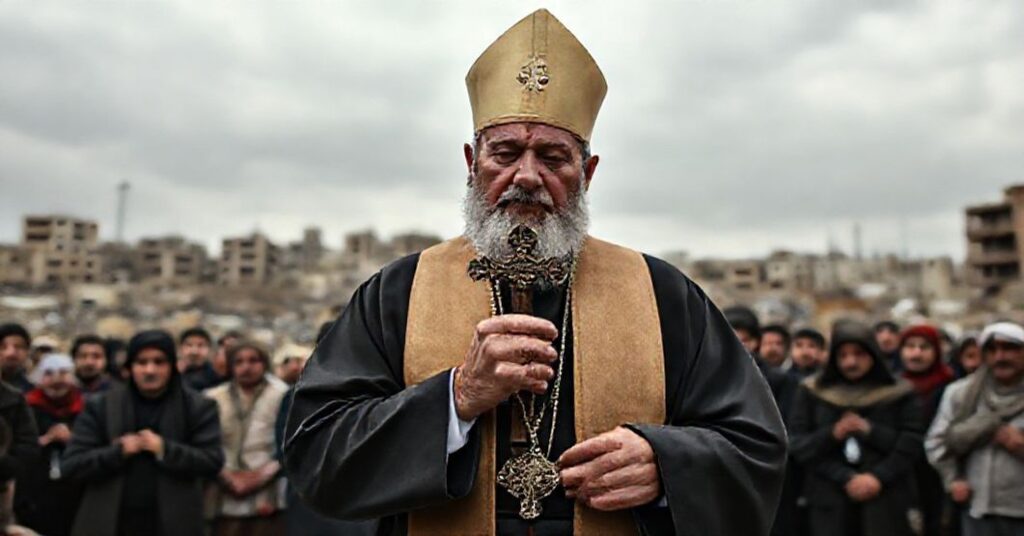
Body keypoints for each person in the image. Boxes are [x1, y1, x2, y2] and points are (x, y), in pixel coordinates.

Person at [284, 9, 786, 535]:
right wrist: (455, 400)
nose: (527, 176)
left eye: (553, 156)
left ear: (587, 174)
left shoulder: (663, 295)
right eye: (505, 153)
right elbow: (316, 451)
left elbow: (755, 447)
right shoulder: (398, 293)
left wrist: (666, 463)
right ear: (470, 162)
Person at [63, 330, 224, 536]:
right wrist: (118, 452)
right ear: (129, 368)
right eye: (141, 362)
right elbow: (73, 465)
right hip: (111, 523)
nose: (150, 370)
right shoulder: (101, 406)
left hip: (174, 524)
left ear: (172, 366)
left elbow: (212, 461)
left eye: (159, 362)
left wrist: (165, 449)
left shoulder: (198, 407)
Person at [789, 322, 923, 536]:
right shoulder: (812, 392)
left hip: (886, 498)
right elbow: (800, 445)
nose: (851, 362)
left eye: (859, 354)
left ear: (873, 354)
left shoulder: (899, 393)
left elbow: (911, 442)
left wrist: (876, 471)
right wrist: (834, 436)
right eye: (843, 355)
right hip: (828, 499)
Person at [926, 322, 1024, 536]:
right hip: (978, 509)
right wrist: (953, 480)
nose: (1000, 357)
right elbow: (936, 442)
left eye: (1010, 349)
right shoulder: (961, 394)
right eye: (992, 350)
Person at [205, 341, 288, 536]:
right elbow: (207, 443)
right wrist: (228, 477)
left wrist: (259, 477)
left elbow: (289, 444)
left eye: (253, 360)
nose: (246, 367)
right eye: (239, 361)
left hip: (268, 496)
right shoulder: (214, 398)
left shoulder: (282, 395)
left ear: (264, 363)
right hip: (224, 493)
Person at [17, 355, 84, 536]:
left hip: (73, 494)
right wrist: (45, 440)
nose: (57, 380)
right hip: (34, 494)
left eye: (63, 373)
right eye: (49, 373)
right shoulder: (25, 406)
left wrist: (72, 440)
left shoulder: (85, 407)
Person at [899, 324, 954, 536]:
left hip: (938, 475)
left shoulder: (951, 387)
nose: (916, 353)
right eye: (910, 346)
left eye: (924, 347)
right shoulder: (892, 388)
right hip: (902, 474)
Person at [178, 327, 222, 392]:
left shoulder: (216, 377)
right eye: (189, 345)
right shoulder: (170, 374)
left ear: (209, 350)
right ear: (180, 349)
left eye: (200, 345)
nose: (194, 351)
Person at [0, 324, 34, 394]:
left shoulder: (33, 393)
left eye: (19, 346)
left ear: (27, 352)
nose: (11, 353)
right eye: (3, 347)